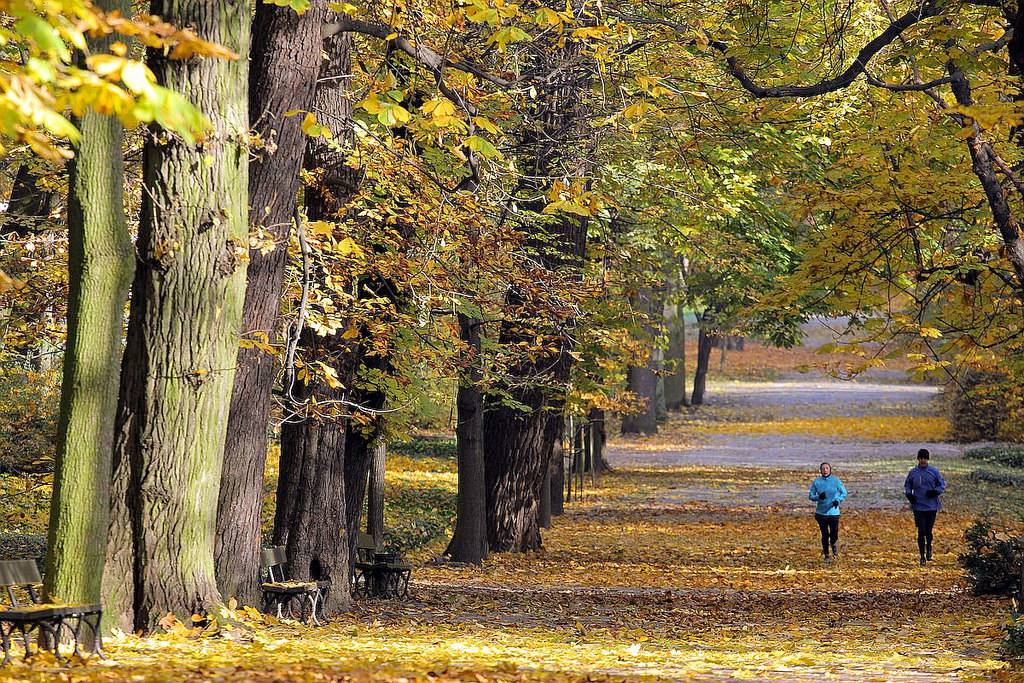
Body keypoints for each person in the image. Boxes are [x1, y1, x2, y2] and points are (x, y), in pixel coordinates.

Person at [904, 448, 946, 566]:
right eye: (921, 458)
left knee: (928, 531)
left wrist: (935, 491)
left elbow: (942, 484)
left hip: (931, 506)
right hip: (918, 506)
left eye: (925, 458)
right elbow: (907, 485)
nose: (923, 461)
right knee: (921, 531)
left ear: (928, 459)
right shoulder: (913, 472)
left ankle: (929, 548)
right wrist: (909, 494)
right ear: (918, 459)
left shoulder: (934, 471)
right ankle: (922, 556)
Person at [808, 462, 847, 562]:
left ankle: (834, 549)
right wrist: (818, 497)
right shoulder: (817, 482)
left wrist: (838, 500)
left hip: (834, 513)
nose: (825, 470)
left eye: (827, 468)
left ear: (830, 470)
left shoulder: (836, 481)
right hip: (821, 513)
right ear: (820, 470)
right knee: (825, 534)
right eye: (823, 468)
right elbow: (810, 496)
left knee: (834, 534)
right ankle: (826, 555)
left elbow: (844, 492)